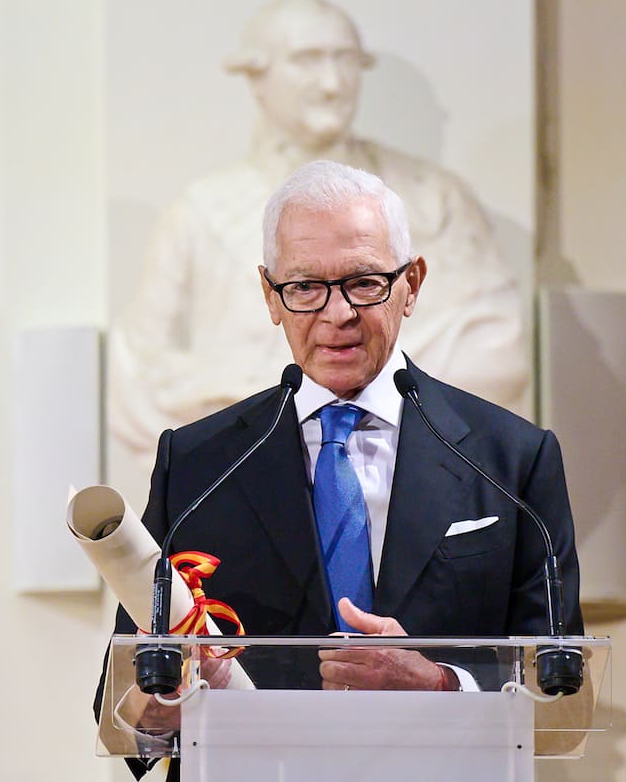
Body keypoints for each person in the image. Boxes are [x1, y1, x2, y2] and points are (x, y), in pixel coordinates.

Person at [96, 160, 582, 777]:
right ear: (271, 297)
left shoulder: (512, 459)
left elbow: (565, 701)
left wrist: (438, 685)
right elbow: (119, 710)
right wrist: (161, 704)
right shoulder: (197, 467)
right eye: (304, 288)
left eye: (363, 282)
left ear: (412, 284)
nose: (337, 314)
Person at [108, 0, 532, 474]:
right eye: (307, 61)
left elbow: (500, 351)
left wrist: (368, 387)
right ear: (256, 77)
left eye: (345, 61)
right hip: (252, 476)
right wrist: (263, 397)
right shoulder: (198, 213)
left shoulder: (434, 198)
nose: (332, 84)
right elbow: (140, 368)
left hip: (411, 471)